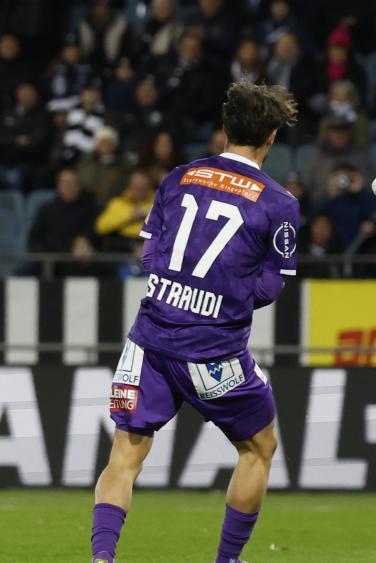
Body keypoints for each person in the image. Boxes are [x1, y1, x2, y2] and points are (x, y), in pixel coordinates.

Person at [90, 82, 299, 563]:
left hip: (149, 342)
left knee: (124, 457)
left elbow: (149, 254)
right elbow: (271, 285)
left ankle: (102, 558)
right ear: (271, 135)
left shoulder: (180, 177)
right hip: (213, 352)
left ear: (225, 129)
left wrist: (178, 289)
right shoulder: (279, 203)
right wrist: (222, 298)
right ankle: (227, 561)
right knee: (258, 449)